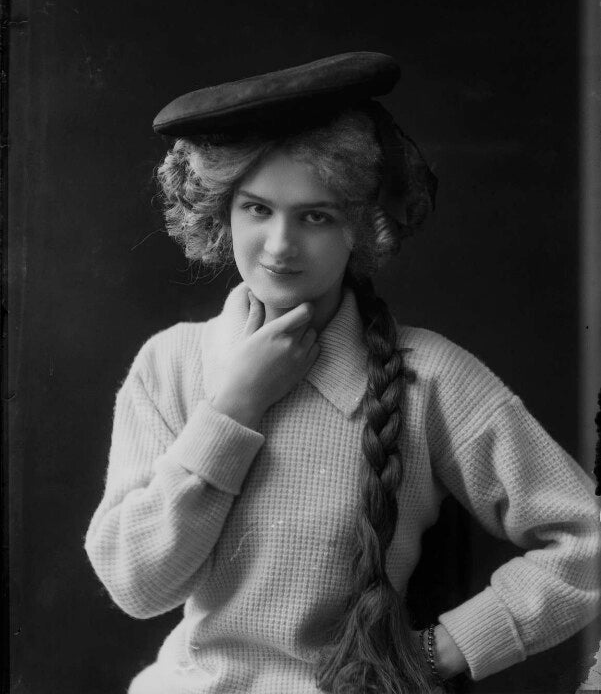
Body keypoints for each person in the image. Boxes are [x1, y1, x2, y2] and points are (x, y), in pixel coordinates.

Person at [85, 52, 601, 694]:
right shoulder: (168, 365)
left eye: (316, 216)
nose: (279, 246)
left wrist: (438, 653)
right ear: (222, 212)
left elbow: (588, 542)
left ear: (361, 226)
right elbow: (137, 586)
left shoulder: (430, 378)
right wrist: (234, 408)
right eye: (256, 209)